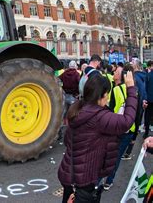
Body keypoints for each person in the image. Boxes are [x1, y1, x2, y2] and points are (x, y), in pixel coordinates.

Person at [58, 72, 137, 203]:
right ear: (102, 95)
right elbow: (127, 121)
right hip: (84, 180)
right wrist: (131, 90)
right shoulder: (99, 116)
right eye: (107, 94)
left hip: (69, 175)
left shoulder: (77, 108)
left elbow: (67, 140)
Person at [101, 64, 134, 190]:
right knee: (117, 156)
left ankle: (101, 180)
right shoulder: (133, 89)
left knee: (109, 155)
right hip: (128, 128)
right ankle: (109, 181)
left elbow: (110, 109)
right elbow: (137, 112)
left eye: (117, 72)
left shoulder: (115, 90)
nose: (114, 73)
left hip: (115, 127)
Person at [124, 60, 148, 159]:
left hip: (135, 106)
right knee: (135, 127)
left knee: (132, 128)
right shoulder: (144, 76)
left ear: (136, 67)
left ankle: (127, 152)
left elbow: (136, 93)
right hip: (140, 106)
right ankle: (128, 151)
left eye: (132, 64)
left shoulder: (136, 78)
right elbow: (144, 91)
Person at [145, 61, 153, 139]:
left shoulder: (148, 76)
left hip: (149, 99)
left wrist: (145, 98)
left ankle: (146, 133)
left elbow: (145, 88)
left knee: (147, 115)